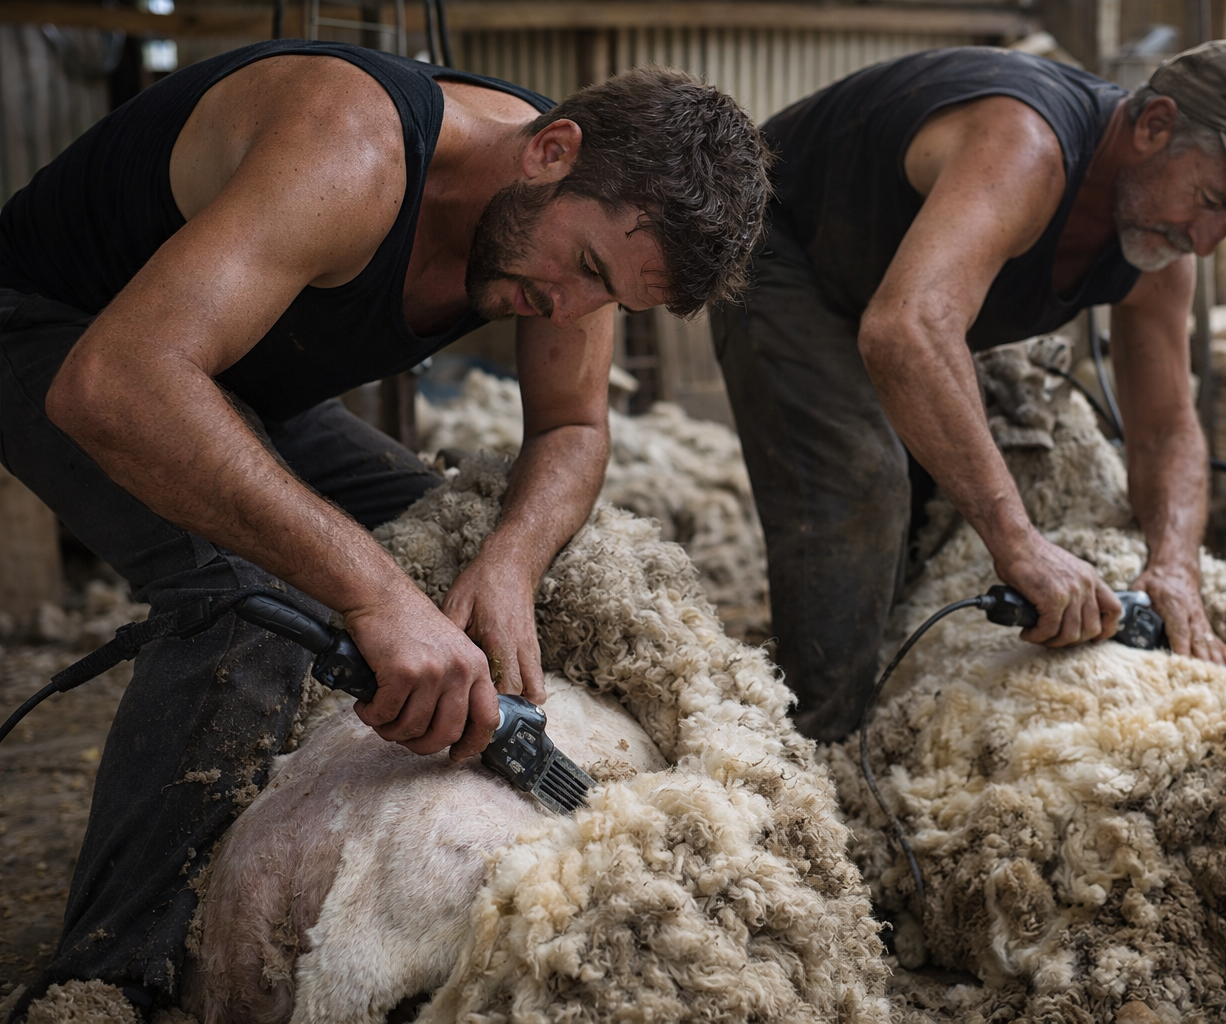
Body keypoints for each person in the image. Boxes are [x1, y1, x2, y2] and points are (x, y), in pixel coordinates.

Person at [0, 40, 768, 1016]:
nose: (572, 310)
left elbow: (573, 428)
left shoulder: (581, 207)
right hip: (71, 334)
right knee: (255, 598)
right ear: (550, 151)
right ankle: (109, 979)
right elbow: (116, 382)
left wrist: (509, 562)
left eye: (609, 297)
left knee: (446, 532)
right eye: (584, 268)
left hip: (243, 372)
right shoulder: (351, 149)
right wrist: (373, 595)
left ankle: (302, 831)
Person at [711, 40, 1226, 740]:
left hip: (899, 287)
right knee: (861, 476)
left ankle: (885, 689)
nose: (1206, 242)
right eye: (1210, 200)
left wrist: (1175, 563)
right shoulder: (1025, 147)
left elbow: (1165, 426)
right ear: (1154, 126)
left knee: (931, 493)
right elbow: (906, 330)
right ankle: (818, 750)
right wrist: (1020, 542)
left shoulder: (1163, 248)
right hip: (784, 238)